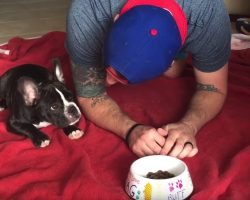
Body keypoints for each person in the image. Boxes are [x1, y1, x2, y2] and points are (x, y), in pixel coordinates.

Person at [65, 0, 231, 158]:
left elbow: (214, 89)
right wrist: (130, 129)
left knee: (173, 74)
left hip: (189, 27)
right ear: (116, 19)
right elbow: (89, 96)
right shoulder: (87, 10)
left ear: (170, 62)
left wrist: (189, 125)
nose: (107, 82)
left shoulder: (209, 18)